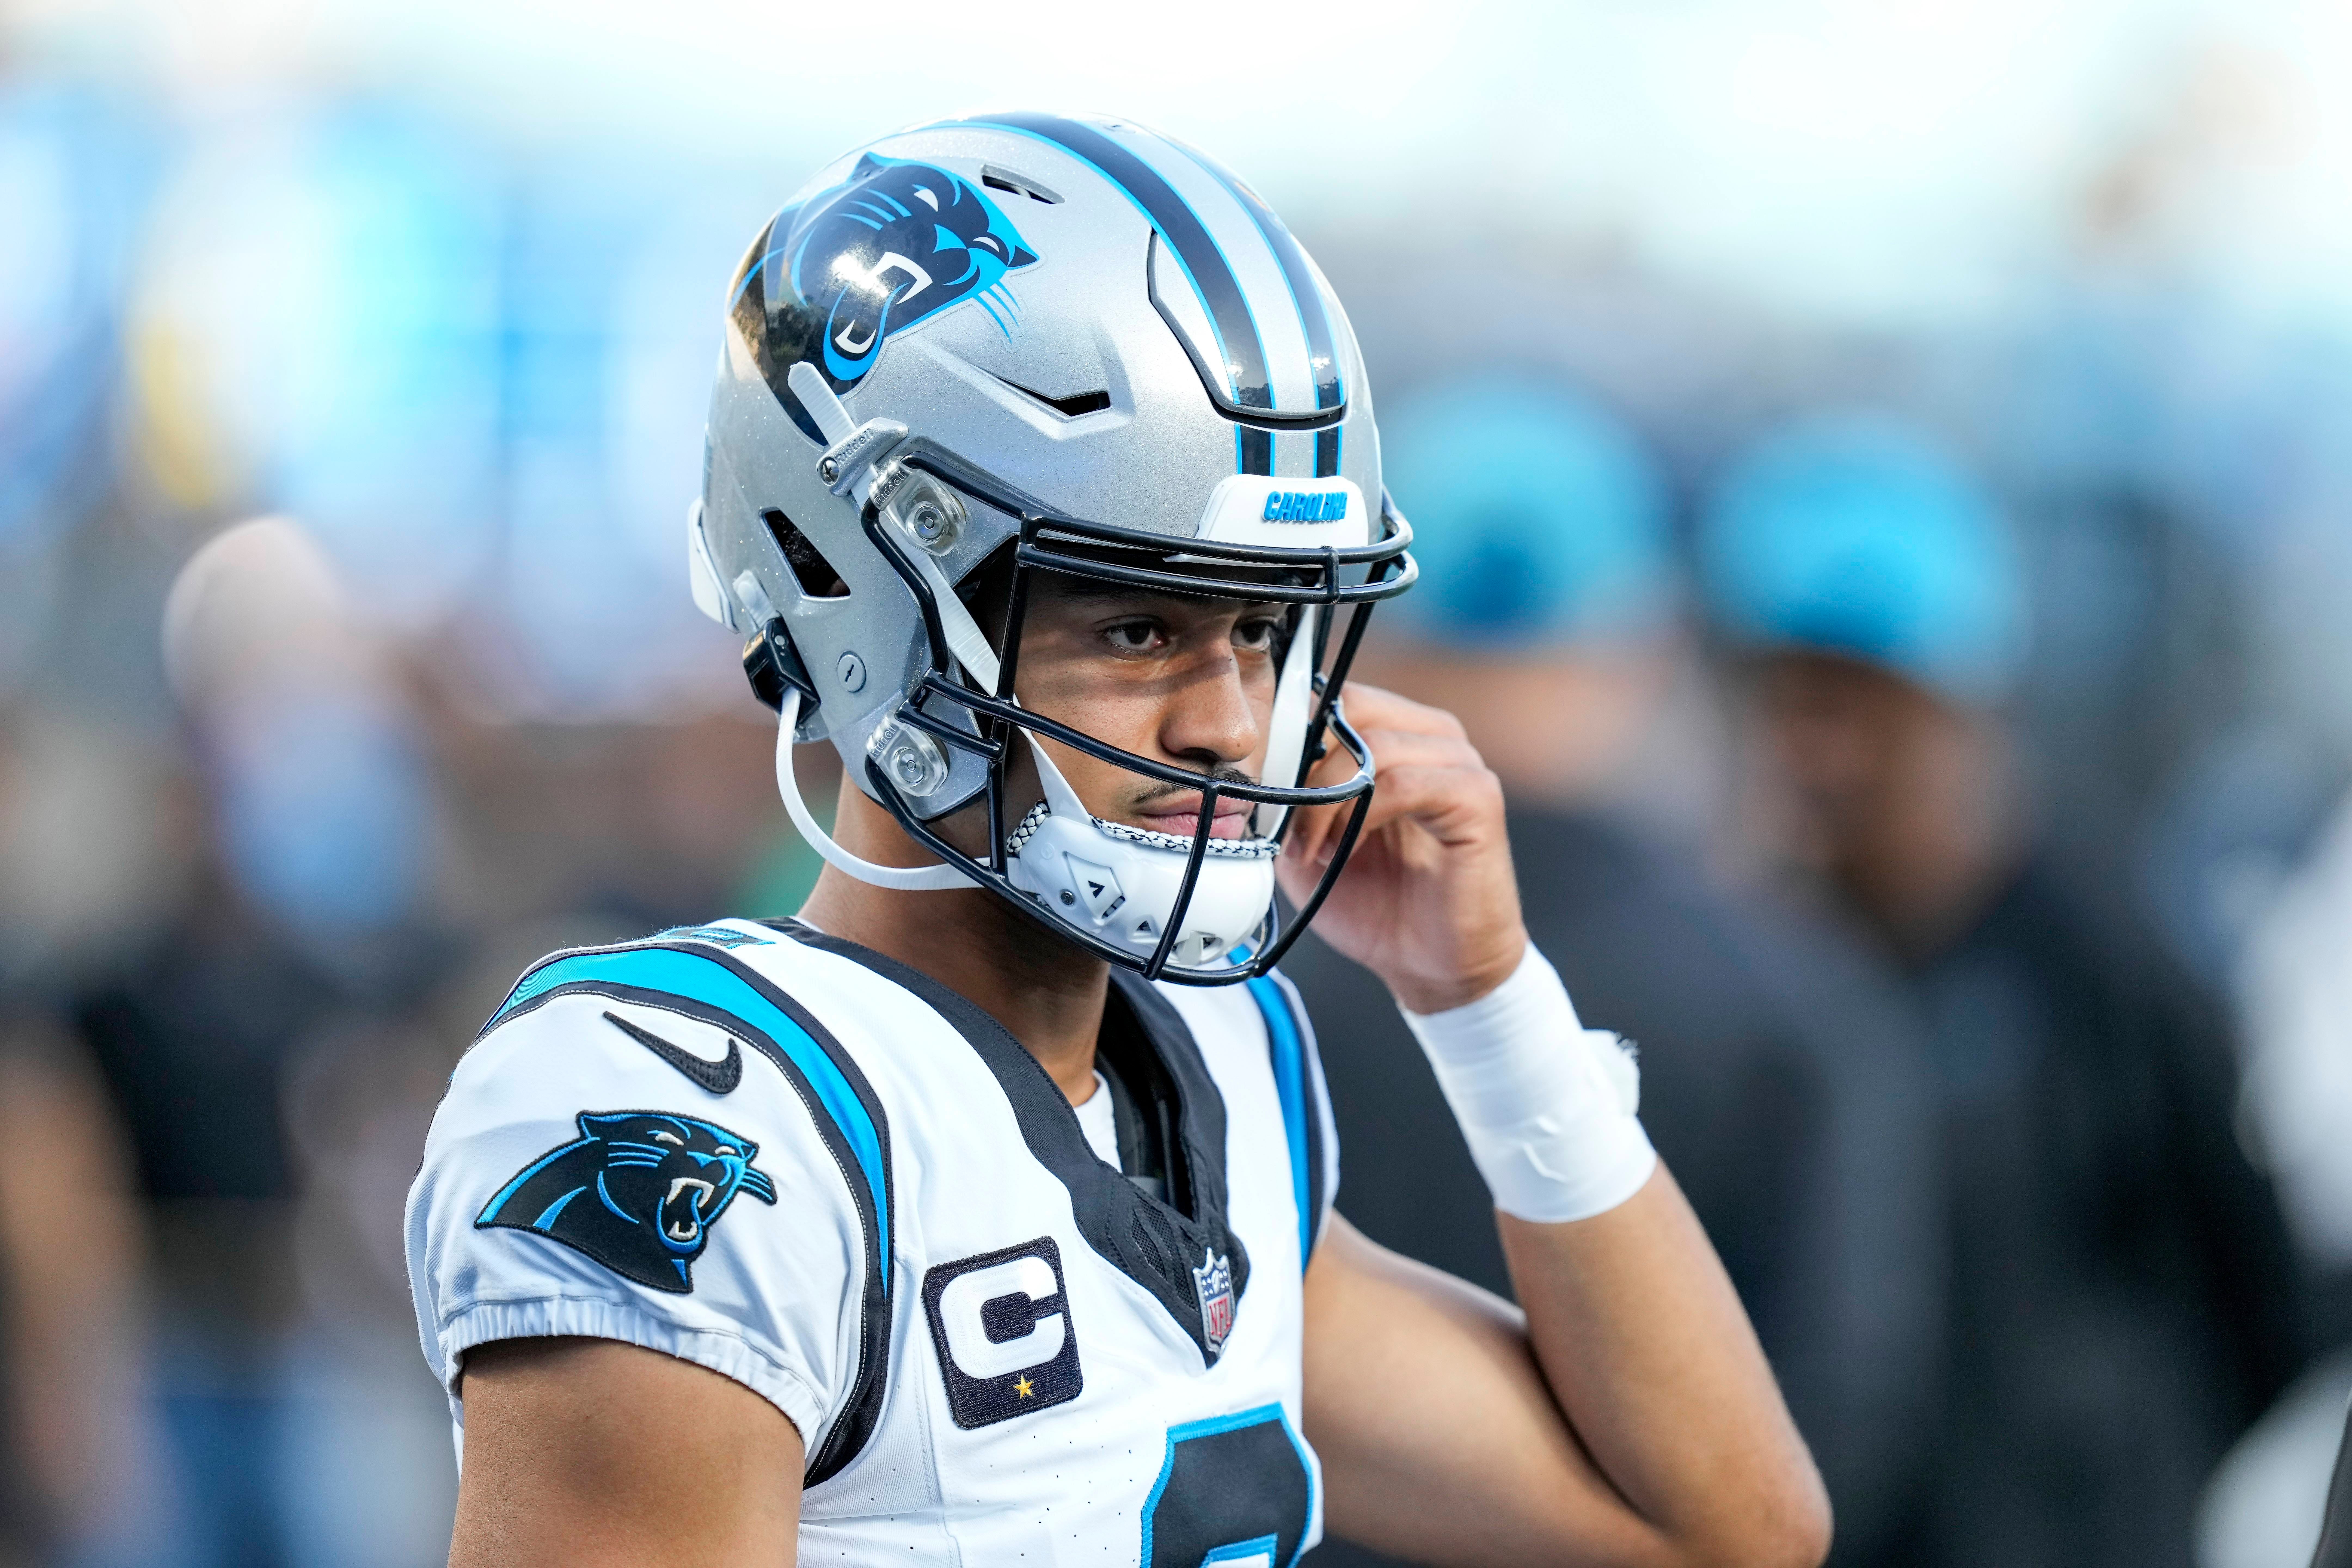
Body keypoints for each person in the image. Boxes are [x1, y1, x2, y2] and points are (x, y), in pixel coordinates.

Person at [405, 115, 1831, 1567]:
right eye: (1140, 626)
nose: (1231, 721)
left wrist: (1488, 1005)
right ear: (866, 593)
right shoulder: (698, 1117)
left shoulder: (1213, 1075)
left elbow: (1725, 1527)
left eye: (1266, 630)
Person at [1282, 376, 1946, 1567]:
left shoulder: (1230, 978)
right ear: (1644, 647)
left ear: (1354, 634)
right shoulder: (1798, 991)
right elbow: (1844, 1428)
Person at [1696, 412, 2301, 1568]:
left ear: (1966, 705)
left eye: (1860, 702)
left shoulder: (2106, 961)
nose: (1820, 750)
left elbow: (2263, 1284)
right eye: (1787, 701)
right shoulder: (1752, 973)